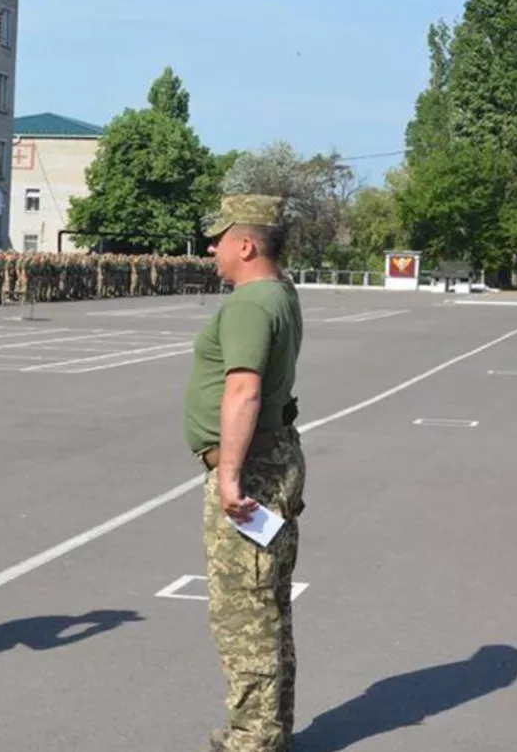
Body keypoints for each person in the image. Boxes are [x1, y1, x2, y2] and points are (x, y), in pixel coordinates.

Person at [182, 194, 306, 752]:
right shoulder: (279, 294)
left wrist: (229, 476)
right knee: (267, 604)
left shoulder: (251, 304)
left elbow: (243, 387)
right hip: (272, 457)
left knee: (244, 613)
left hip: (252, 469)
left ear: (247, 244)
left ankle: (253, 740)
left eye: (220, 238)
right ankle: (264, 730)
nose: (212, 248)